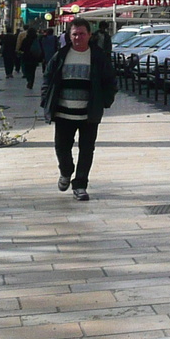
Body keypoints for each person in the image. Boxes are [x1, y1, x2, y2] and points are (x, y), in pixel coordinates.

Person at [40, 17, 118, 201]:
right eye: (74, 34)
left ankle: (81, 185)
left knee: (87, 149)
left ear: (89, 35)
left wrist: (105, 101)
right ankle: (66, 171)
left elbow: (110, 82)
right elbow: (47, 79)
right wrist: (46, 100)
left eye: (82, 34)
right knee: (61, 148)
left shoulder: (98, 57)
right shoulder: (60, 55)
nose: (78, 38)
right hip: (63, 112)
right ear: (69, 35)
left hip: (88, 113)